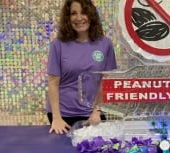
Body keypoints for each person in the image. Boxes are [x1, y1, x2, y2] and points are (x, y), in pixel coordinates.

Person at [46, 0, 117, 134]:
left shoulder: (105, 44)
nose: (79, 18)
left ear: (91, 15)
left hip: (94, 113)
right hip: (63, 115)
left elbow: (106, 81)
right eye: (73, 13)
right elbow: (53, 83)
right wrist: (56, 118)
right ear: (68, 18)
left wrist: (97, 112)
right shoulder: (58, 44)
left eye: (83, 12)